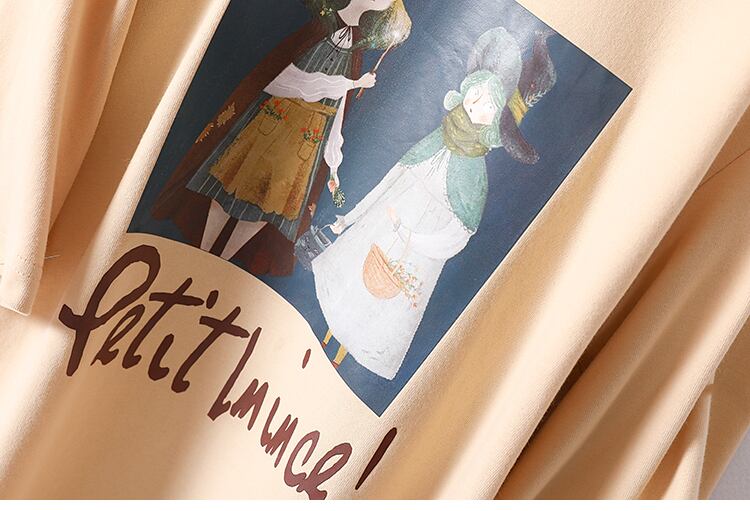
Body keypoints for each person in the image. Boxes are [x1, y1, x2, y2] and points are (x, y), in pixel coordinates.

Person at [312, 27, 558, 379]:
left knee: (380, 315)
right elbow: (392, 179)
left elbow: (459, 234)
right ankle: (320, 344)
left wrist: (411, 236)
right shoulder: (437, 139)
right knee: (348, 292)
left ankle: (341, 367)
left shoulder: (474, 175)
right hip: (380, 228)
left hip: (415, 255)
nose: (477, 106)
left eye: (488, 104)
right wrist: (349, 219)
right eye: (475, 96)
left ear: (496, 117)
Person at [152, 0, 411, 274]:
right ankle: (200, 254)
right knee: (228, 186)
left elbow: (338, 112)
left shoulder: (356, 49)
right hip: (272, 120)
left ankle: (218, 265)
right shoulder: (321, 25)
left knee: (267, 207)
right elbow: (289, 79)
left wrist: (333, 160)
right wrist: (353, 83)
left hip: (306, 141)